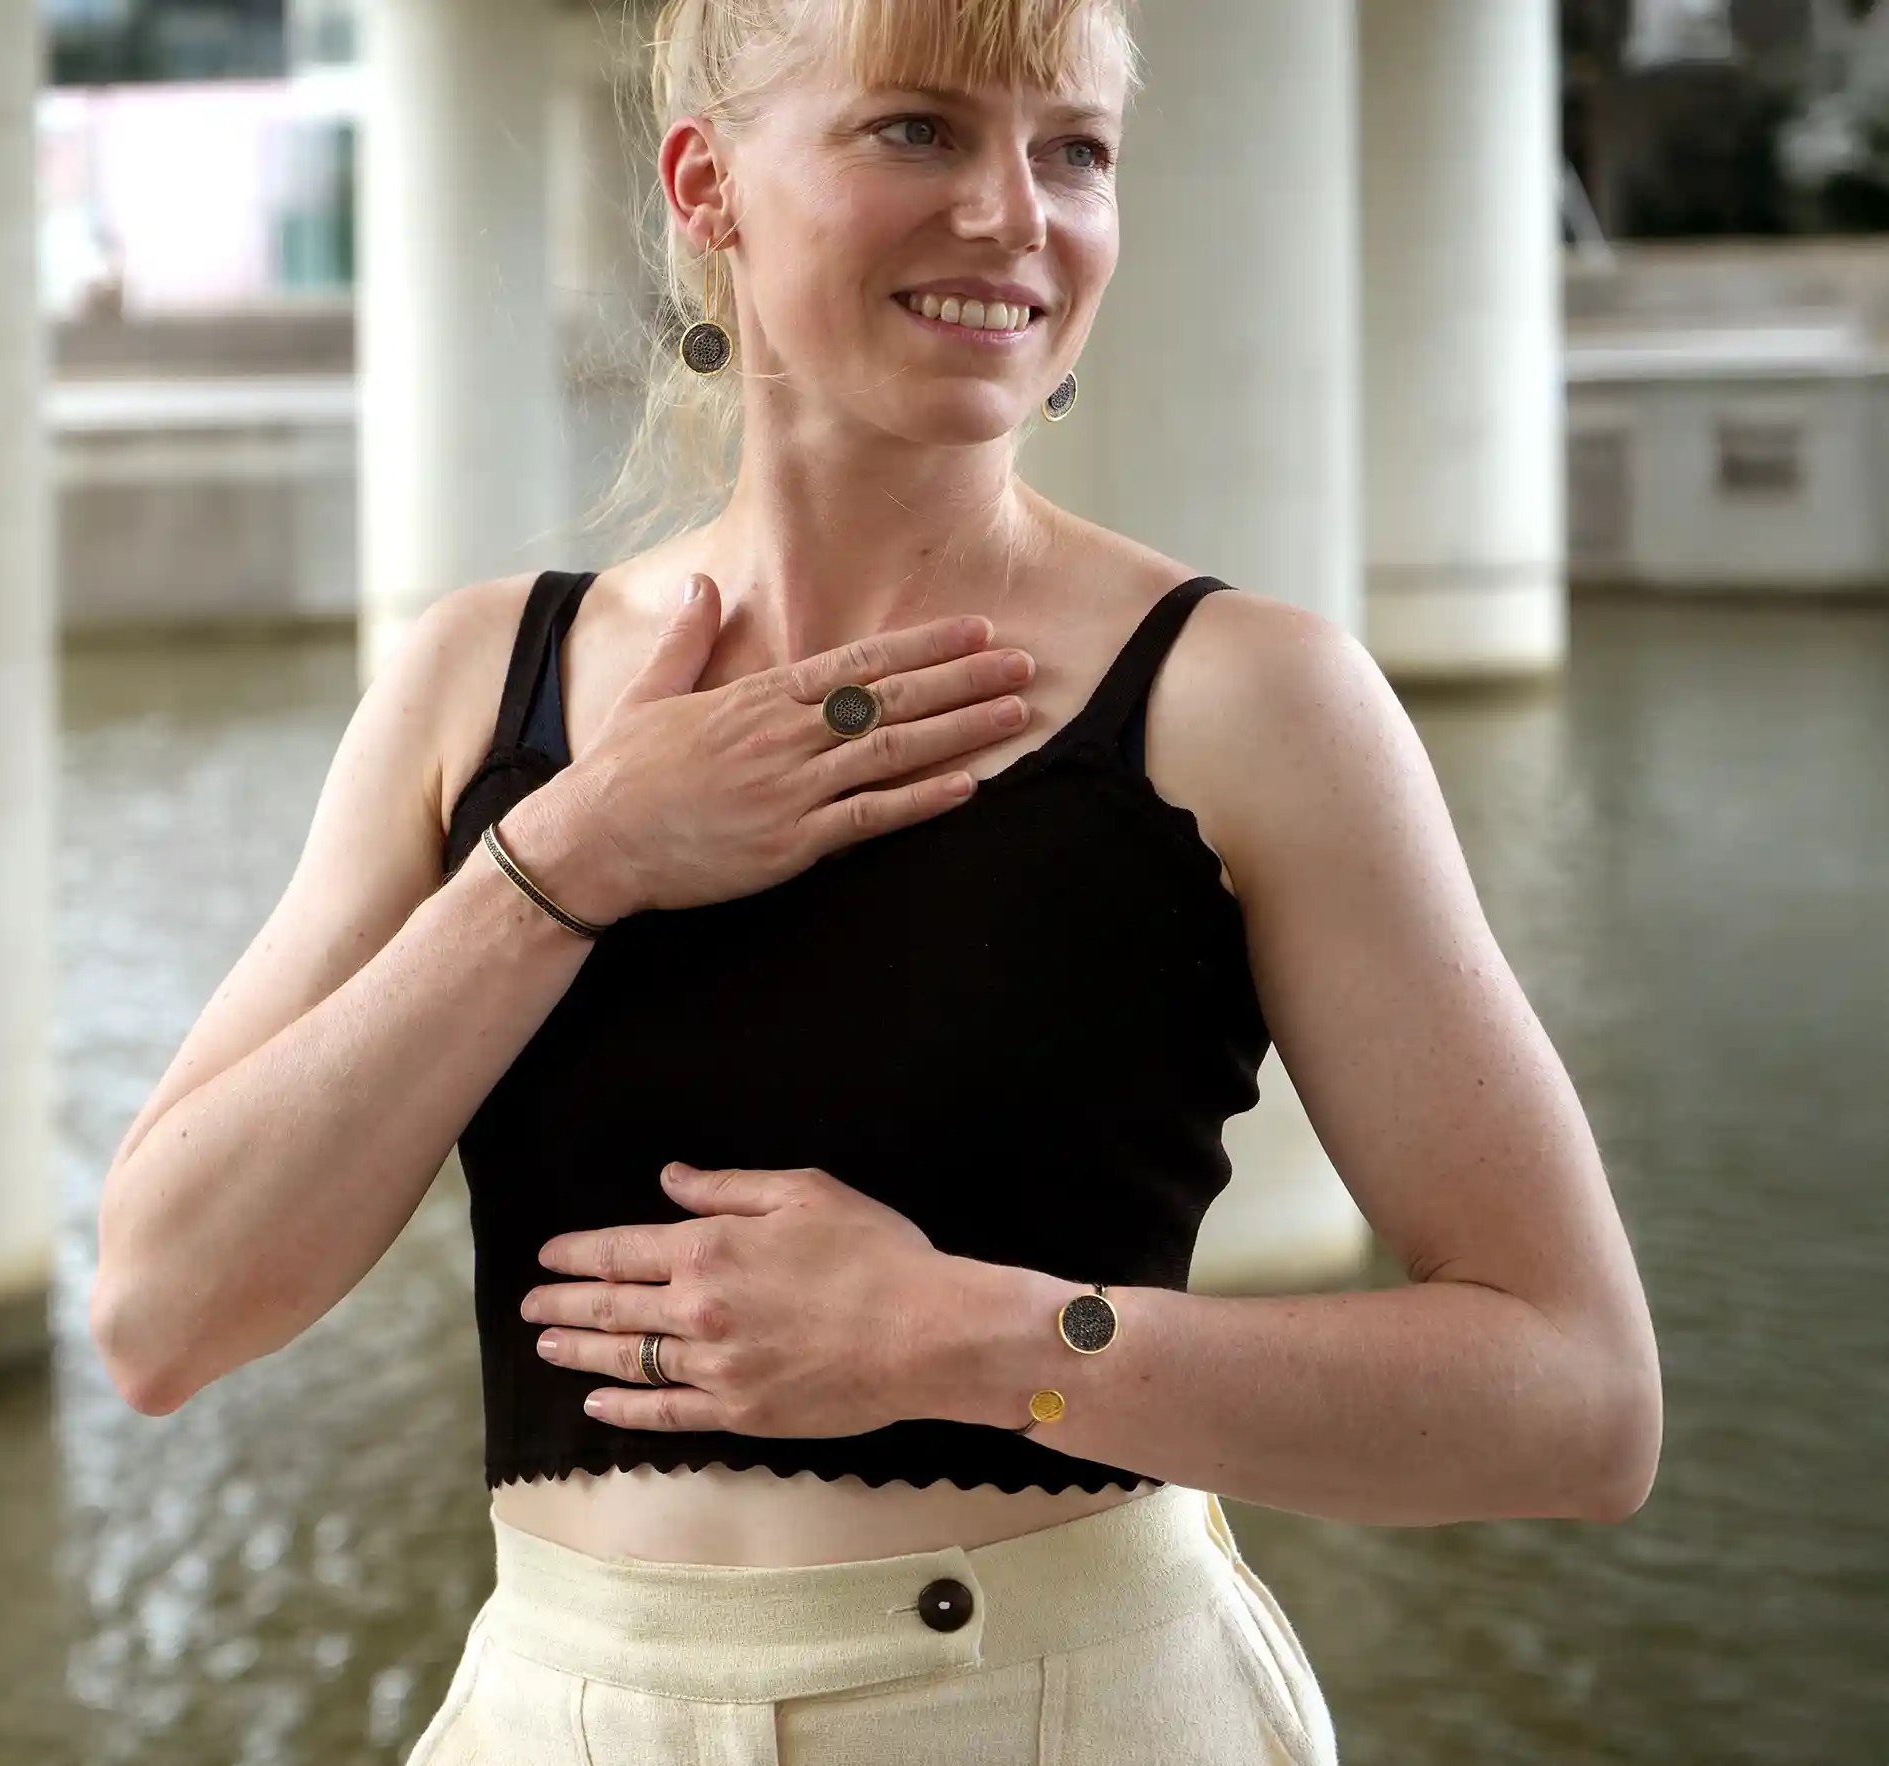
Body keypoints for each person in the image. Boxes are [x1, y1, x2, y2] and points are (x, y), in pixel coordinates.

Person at [88, 0, 1664, 1758]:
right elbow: (162, 1314)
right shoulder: (482, 690)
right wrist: (564, 863)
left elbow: (1578, 1401)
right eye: (919, 129)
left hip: (1072, 1709)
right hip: (559, 1706)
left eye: (1074, 149)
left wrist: (969, 1340)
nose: (1016, 213)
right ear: (709, 185)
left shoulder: (1250, 703)